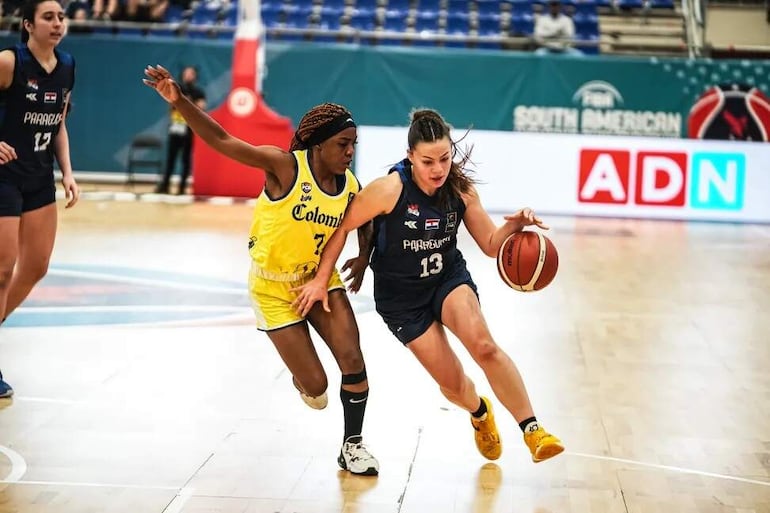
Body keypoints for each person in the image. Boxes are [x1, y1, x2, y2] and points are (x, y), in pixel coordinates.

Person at [143, 64, 379, 475]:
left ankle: (353, 445)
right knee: (318, 389)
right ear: (319, 144)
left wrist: (363, 256)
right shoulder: (285, 167)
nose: (349, 152)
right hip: (272, 288)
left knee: (353, 358)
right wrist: (180, 102)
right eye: (343, 144)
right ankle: (303, 378)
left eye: (353, 145)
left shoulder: (351, 185)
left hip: (318, 280)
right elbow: (222, 139)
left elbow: (367, 221)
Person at [293, 109, 564, 464]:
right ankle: (480, 412)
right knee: (453, 384)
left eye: (445, 159)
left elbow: (490, 245)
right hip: (402, 301)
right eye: (427, 161)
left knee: (484, 346)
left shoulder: (459, 189)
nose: (438, 169)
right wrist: (326, 275)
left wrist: (513, 227)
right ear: (410, 157)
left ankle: (533, 430)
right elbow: (343, 226)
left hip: (446, 280)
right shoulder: (389, 189)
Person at [0, 0, 80, 399]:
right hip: (3, 177)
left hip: (39, 177)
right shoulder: (9, 61)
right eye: (49, 17)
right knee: (3, 268)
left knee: (36, 266)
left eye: (62, 17)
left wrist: (67, 171)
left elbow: (60, 122)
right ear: (29, 24)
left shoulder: (67, 65)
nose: (58, 23)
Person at [155, 65, 206, 195]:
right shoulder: (177, 88)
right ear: (183, 74)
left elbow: (201, 107)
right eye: (187, 73)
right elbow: (172, 103)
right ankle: (164, 186)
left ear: (195, 76)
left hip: (189, 129)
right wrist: (180, 102)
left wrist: (187, 102)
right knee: (170, 158)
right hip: (175, 127)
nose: (189, 75)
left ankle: (182, 188)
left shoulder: (198, 92)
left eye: (191, 73)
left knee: (186, 159)